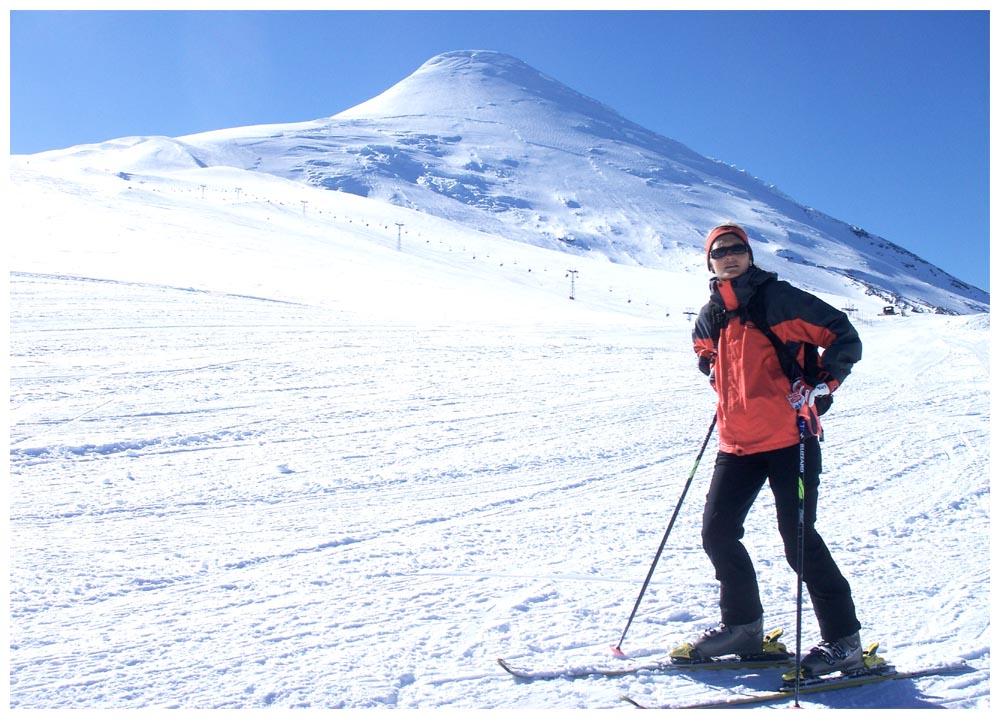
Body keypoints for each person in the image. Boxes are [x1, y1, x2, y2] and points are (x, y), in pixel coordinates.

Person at [677, 222, 864, 678]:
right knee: (717, 534)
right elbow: (705, 353)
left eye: (738, 249)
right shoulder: (711, 314)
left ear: (750, 254)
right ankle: (743, 628)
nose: (730, 256)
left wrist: (820, 384)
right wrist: (723, 381)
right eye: (720, 251)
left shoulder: (780, 299)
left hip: (789, 437)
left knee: (799, 542)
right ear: (710, 261)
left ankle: (844, 641)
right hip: (736, 443)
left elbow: (843, 336)